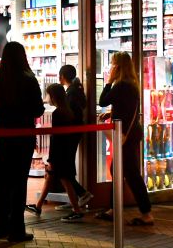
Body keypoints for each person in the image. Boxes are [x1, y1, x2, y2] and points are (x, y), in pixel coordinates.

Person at [0, 41, 45, 242]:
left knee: (0, 182)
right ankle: (16, 229)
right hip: (22, 136)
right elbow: (38, 109)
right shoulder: (28, 79)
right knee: (18, 182)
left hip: (1, 136)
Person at [95, 51, 154, 225]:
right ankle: (115, 209)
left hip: (126, 136)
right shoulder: (131, 84)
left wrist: (109, 82)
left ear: (118, 67)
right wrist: (112, 113)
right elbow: (125, 108)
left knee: (131, 174)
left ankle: (146, 213)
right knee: (118, 170)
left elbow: (103, 100)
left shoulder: (120, 85)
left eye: (113, 64)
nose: (111, 67)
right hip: (132, 133)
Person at [25, 84, 85, 221]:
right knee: (52, 177)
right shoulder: (69, 111)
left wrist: (51, 158)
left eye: (48, 95)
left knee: (65, 179)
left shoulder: (58, 113)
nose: (46, 98)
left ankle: (76, 209)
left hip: (59, 153)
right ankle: (38, 206)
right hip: (66, 151)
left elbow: (56, 138)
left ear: (53, 96)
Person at [56, 65, 94, 208]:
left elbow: (69, 114)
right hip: (75, 133)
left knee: (65, 168)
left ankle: (81, 193)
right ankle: (75, 197)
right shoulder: (76, 90)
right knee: (67, 166)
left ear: (63, 76)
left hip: (70, 134)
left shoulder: (71, 93)